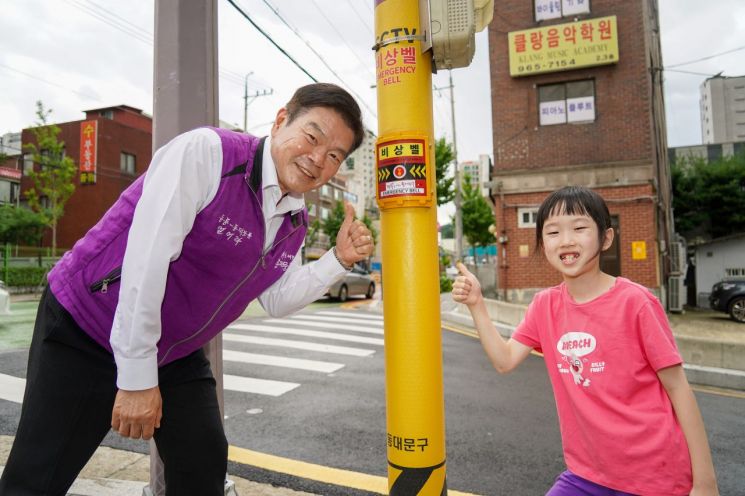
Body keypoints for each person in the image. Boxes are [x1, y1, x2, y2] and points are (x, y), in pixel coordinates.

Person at [0, 83, 374, 496]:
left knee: (202, 467)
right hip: (86, 325)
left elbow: (276, 298)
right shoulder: (207, 155)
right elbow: (146, 261)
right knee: (38, 476)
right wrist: (137, 379)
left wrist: (336, 260)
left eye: (335, 155)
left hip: (174, 350)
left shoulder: (294, 221)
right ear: (282, 119)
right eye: (312, 136)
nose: (318, 159)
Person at [453, 186, 718, 496]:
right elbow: (505, 360)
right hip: (585, 476)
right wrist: (477, 304)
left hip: (654, 476)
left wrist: (705, 483)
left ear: (605, 238)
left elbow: (678, 387)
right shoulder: (545, 306)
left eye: (579, 228)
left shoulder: (636, 302)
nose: (566, 240)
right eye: (552, 232)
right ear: (542, 243)